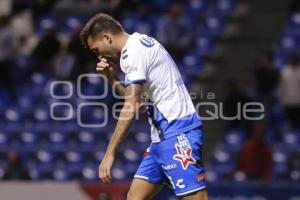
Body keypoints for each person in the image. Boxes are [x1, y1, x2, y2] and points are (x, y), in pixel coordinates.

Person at [80, 13, 208, 200]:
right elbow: (139, 104)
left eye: (96, 50)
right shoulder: (137, 44)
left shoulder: (133, 52)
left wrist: (109, 154)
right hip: (160, 139)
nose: (99, 56)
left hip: (177, 132)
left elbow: (131, 106)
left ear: (107, 38)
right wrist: (111, 78)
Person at [278, 53, 300, 129]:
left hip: (298, 102)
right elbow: (281, 87)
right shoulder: (285, 72)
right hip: (287, 102)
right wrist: (281, 98)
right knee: (289, 123)